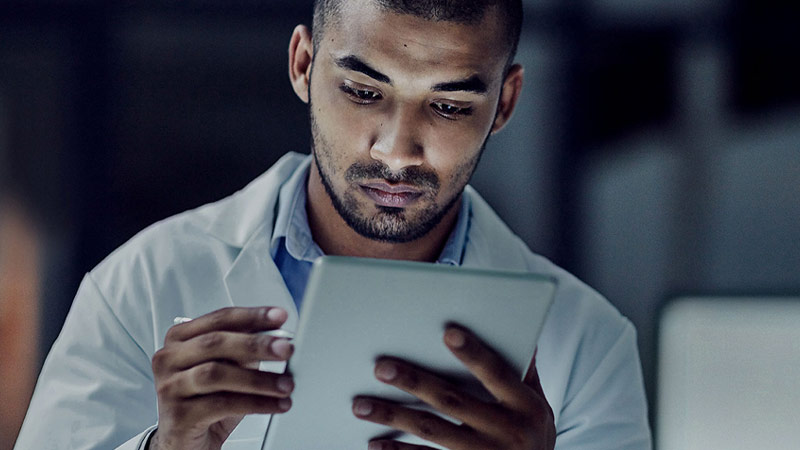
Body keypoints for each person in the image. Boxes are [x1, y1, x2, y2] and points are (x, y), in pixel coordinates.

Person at [15, 0, 651, 449]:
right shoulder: (139, 286)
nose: (396, 151)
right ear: (303, 65)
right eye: (364, 92)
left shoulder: (589, 347)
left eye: (450, 105)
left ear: (505, 103)